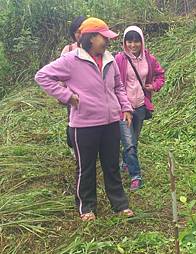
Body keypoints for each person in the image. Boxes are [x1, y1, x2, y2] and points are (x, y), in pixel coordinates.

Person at [35, 17, 134, 221]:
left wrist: (125, 107)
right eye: (103, 37)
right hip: (84, 125)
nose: (107, 41)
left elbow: (118, 86)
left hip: (110, 123)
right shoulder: (71, 60)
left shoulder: (109, 58)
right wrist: (67, 97)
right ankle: (86, 207)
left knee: (112, 165)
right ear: (90, 38)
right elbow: (42, 76)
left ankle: (120, 204)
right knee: (86, 168)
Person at [115, 26, 165, 191]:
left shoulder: (149, 59)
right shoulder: (119, 60)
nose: (133, 45)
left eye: (136, 41)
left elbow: (160, 75)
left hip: (141, 106)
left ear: (141, 41)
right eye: (129, 41)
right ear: (125, 42)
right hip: (125, 108)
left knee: (133, 141)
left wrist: (154, 86)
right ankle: (136, 176)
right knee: (129, 143)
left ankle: (126, 162)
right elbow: (113, 82)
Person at [60, 16, 85, 155]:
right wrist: (63, 94)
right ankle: (73, 145)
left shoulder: (95, 49)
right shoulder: (68, 49)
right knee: (73, 122)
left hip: (91, 96)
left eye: (83, 30)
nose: (80, 34)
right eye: (77, 31)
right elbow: (60, 75)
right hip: (73, 96)